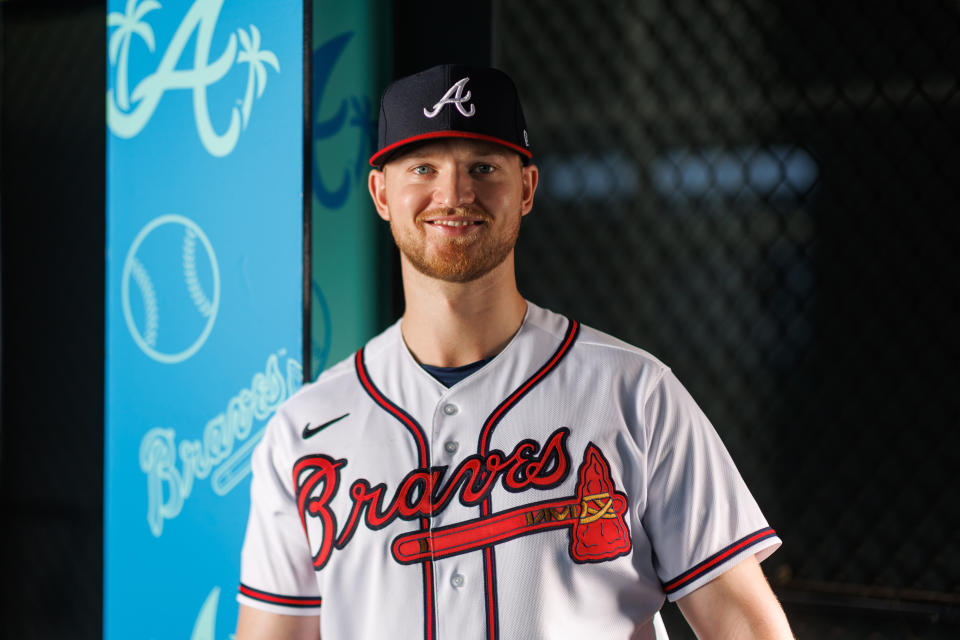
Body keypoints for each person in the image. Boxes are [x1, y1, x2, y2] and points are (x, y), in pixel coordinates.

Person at [235, 64, 794, 640]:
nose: (454, 194)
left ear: (526, 188)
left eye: (483, 167)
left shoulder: (634, 392)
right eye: (423, 168)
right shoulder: (305, 429)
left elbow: (744, 626)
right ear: (381, 193)